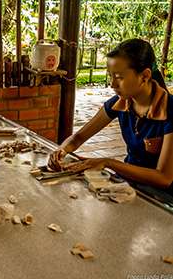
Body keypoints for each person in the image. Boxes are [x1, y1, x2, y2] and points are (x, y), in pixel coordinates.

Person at [48, 38, 173, 191]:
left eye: (119, 77)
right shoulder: (120, 103)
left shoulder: (169, 110)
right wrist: (61, 150)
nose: (112, 84)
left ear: (145, 76)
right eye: (110, 76)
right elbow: (78, 138)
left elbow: (164, 178)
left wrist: (108, 162)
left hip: (163, 198)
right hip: (129, 184)